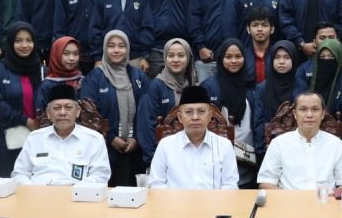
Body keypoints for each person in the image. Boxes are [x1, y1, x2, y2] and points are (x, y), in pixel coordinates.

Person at [81, 30, 149, 187]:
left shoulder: (139, 76)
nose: (116, 50)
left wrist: (137, 138)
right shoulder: (95, 77)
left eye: (121, 46)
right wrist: (110, 138)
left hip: (135, 151)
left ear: (128, 49)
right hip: (105, 151)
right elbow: (88, 114)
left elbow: (146, 112)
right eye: (111, 46)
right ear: (105, 49)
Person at [12, 84, 111, 186]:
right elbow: (19, 173)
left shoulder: (94, 140)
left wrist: (75, 190)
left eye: (68, 107)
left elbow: (101, 175)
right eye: (56, 108)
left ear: (77, 111)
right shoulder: (34, 138)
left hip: (77, 194)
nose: (62, 112)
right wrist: (33, 190)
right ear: (48, 113)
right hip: (38, 193)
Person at [258, 91, 342, 192]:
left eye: (315, 109)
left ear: (322, 114)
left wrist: (331, 196)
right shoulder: (279, 143)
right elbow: (265, 183)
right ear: (295, 114)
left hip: (325, 200)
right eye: (303, 109)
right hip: (288, 201)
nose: (309, 115)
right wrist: (288, 198)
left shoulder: (336, 144)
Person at [199, 38, 262, 188]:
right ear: (221, 59)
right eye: (228, 57)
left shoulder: (252, 86)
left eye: (238, 56)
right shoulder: (209, 86)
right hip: (216, 156)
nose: (234, 61)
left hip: (247, 155)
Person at [149, 85, 239, 189]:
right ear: (180, 117)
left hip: (214, 200)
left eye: (201, 111)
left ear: (210, 116)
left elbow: (231, 186)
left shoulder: (224, 145)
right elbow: (156, 184)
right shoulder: (166, 145)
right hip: (175, 200)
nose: (195, 117)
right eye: (189, 112)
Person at [0, 21, 43, 177]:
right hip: (7, 142)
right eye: (18, 41)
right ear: (10, 43)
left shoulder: (41, 69)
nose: (24, 45)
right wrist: (26, 121)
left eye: (29, 40)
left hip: (39, 139)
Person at [292, 38, 342, 162]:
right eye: (322, 57)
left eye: (331, 57)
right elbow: (300, 107)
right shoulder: (307, 75)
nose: (326, 61)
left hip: (341, 146)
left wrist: (330, 140)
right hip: (307, 141)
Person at [136, 38, 195, 166]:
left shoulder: (191, 85)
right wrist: (153, 160)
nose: (175, 60)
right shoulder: (156, 86)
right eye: (171, 55)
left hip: (190, 157)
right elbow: (146, 126)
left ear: (188, 58)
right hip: (161, 158)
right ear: (164, 58)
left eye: (181, 55)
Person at [89, 0, 152, 71]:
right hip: (108, 58)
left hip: (135, 58)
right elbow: (95, 29)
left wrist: (144, 56)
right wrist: (97, 58)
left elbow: (146, 28)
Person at [53, 0, 104, 74]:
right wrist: (64, 55)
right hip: (72, 58)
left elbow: (106, 28)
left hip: (98, 59)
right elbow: (58, 29)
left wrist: (100, 58)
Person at [254, 40, 297, 125]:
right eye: (277, 57)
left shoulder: (300, 85)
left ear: (294, 59)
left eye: (287, 57)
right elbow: (258, 121)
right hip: (268, 132)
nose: (281, 62)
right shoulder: (262, 88)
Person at [36, 36, 84, 112]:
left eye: (76, 54)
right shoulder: (47, 85)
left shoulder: (82, 81)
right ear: (56, 54)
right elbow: (41, 113)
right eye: (66, 53)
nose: (72, 58)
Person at [244, 6, 274, 83]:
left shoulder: (278, 54)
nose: (259, 29)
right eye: (255, 25)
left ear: (272, 29)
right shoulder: (242, 56)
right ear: (248, 29)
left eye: (264, 25)